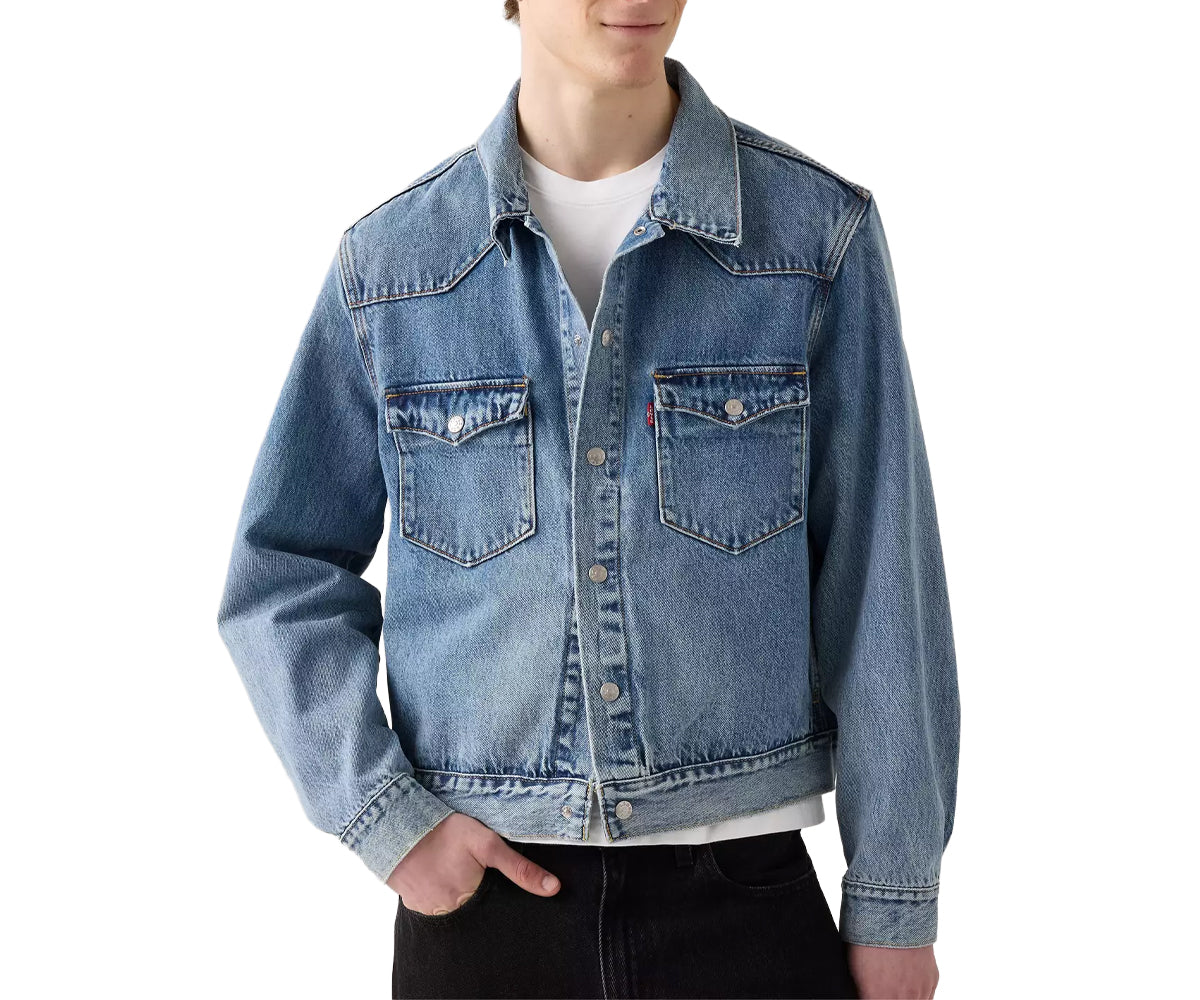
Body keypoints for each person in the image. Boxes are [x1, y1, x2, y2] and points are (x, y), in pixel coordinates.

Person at [216, 1, 961, 997]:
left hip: (743, 906)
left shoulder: (811, 238)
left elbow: (883, 585)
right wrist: (387, 818)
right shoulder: (395, 267)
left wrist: (895, 901)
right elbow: (282, 574)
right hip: (485, 915)